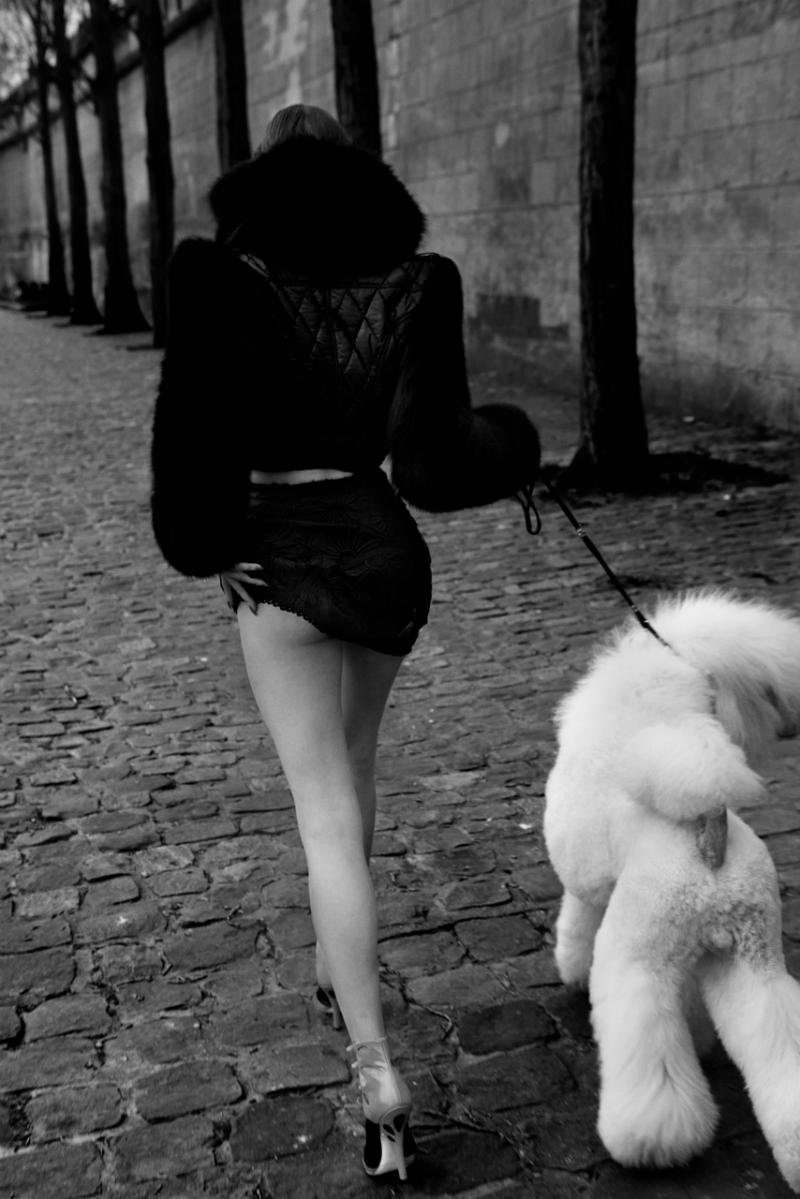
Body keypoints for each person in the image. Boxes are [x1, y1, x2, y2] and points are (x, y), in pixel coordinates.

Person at [150, 103, 540, 1181]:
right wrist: (515, 444)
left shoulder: (220, 278)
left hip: (274, 556)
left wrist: (208, 543)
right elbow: (432, 461)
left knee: (322, 805)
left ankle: (376, 1070)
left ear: (264, 182)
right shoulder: (420, 282)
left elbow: (189, 436)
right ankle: (339, 958)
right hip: (380, 549)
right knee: (356, 769)